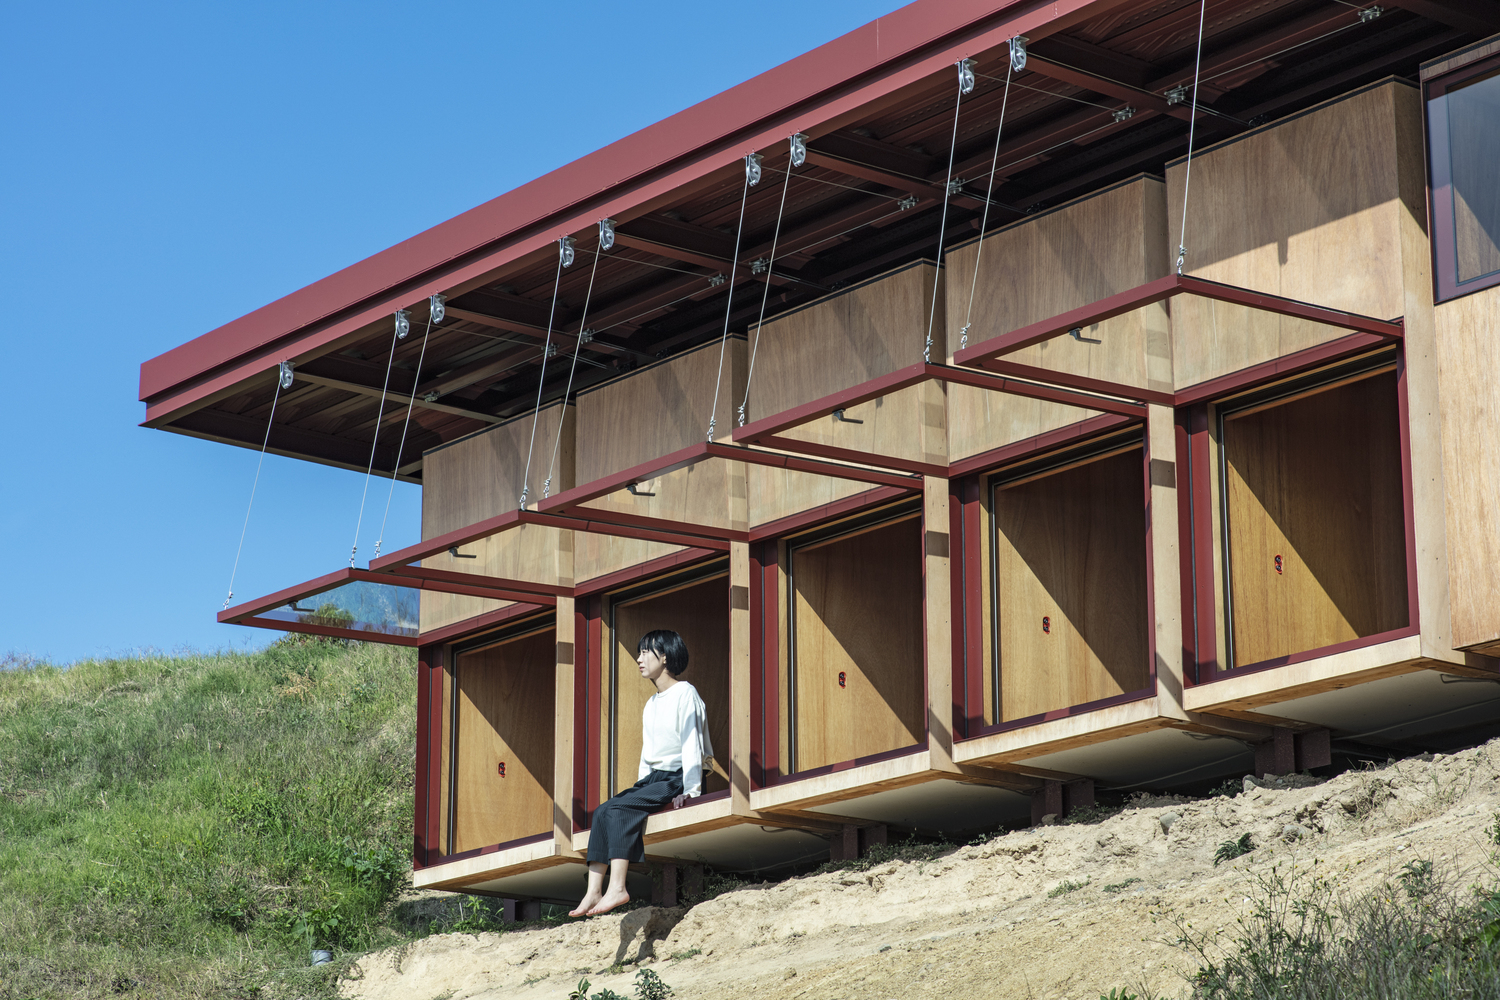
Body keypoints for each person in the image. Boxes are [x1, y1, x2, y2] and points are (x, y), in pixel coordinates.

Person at [569, 629, 712, 917]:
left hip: (679, 777)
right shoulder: (652, 703)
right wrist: (640, 788)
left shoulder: (686, 692)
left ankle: (618, 888)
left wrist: (692, 790)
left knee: (619, 809)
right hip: (655, 780)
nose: (639, 659)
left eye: (646, 652)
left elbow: (691, 744)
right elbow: (648, 754)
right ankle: (593, 890)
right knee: (602, 811)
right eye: (639, 652)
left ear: (665, 656)